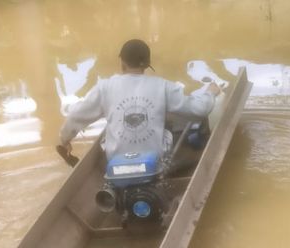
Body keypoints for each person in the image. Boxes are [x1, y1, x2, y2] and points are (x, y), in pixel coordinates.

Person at [58, 39, 222, 162]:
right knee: (177, 123)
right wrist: (210, 93)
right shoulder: (163, 86)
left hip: (115, 158)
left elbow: (75, 116)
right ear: (148, 64)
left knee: (108, 132)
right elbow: (200, 109)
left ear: (121, 62)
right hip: (156, 157)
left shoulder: (105, 87)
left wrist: (65, 140)